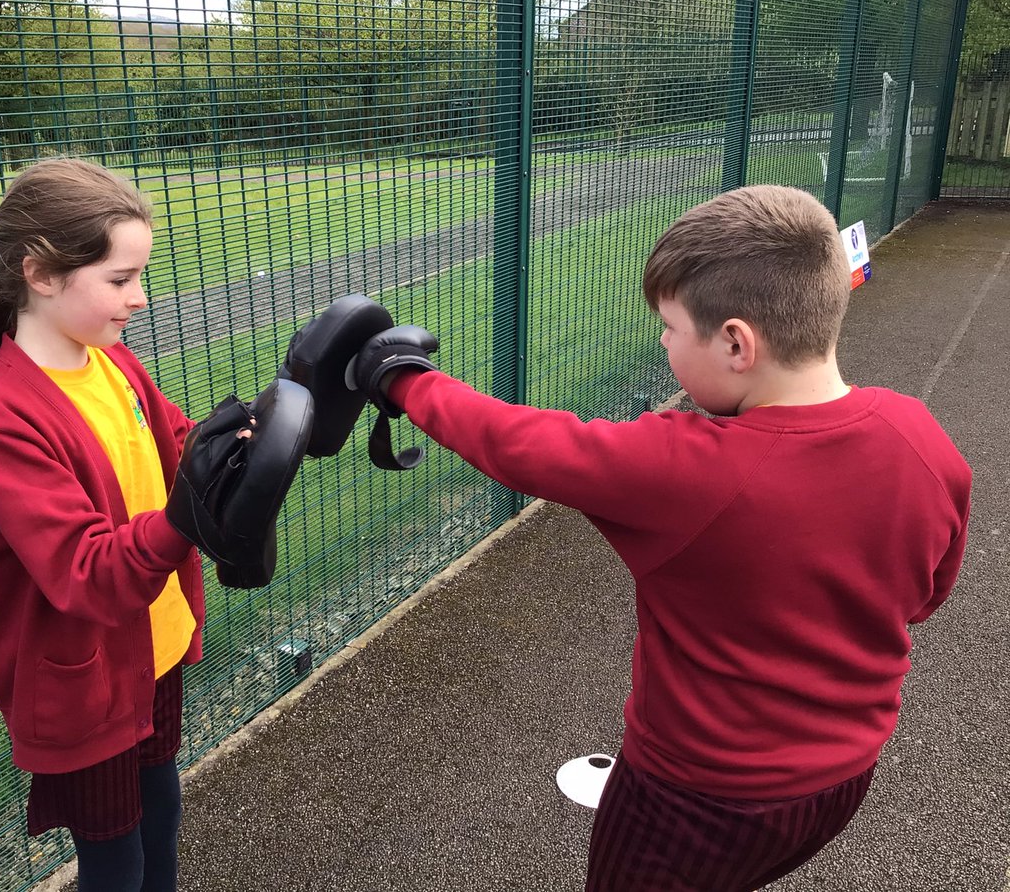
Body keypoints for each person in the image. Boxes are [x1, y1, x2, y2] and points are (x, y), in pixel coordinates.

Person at [343, 185, 972, 891]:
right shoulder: (920, 435)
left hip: (693, 800)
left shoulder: (692, 469)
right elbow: (923, 597)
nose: (663, 341)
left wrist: (399, 381)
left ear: (737, 342)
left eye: (670, 328)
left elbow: (522, 444)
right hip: (840, 783)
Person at [0, 158, 244, 891]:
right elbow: (84, 572)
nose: (139, 299)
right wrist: (188, 512)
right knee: (117, 860)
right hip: (83, 680)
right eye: (120, 279)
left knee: (161, 811)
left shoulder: (110, 364)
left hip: (153, 647)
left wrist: (250, 432)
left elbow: (176, 445)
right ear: (41, 273)